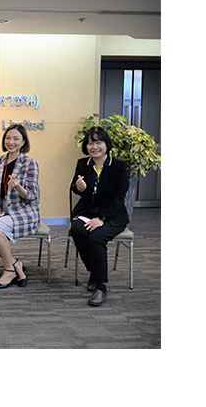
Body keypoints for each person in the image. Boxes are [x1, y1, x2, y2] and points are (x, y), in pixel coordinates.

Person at [70, 126, 129, 307]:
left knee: (95, 238)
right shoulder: (83, 164)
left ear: (106, 144)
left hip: (112, 215)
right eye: (90, 143)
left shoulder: (119, 166)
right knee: (77, 230)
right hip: (87, 212)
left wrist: (102, 219)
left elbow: (119, 197)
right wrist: (78, 187)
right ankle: (95, 273)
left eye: (98, 142)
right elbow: (76, 187)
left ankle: (100, 286)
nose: (94, 147)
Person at [0, 124, 40, 289]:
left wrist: (18, 187)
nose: (11, 142)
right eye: (8, 138)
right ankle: (15, 264)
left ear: (23, 142)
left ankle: (9, 270)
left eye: (16, 139)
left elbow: (31, 196)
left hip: (24, 212)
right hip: (3, 211)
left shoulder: (30, 163)